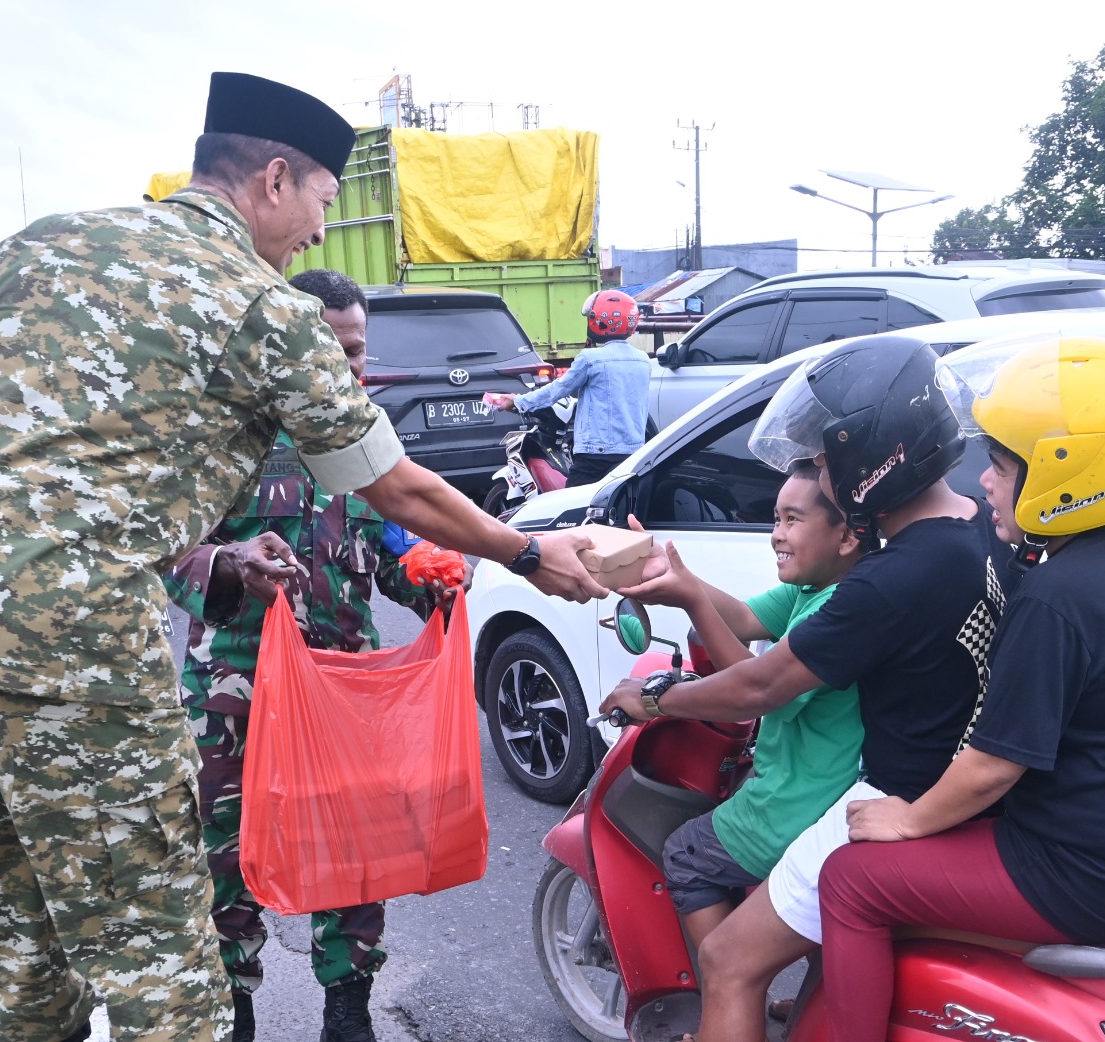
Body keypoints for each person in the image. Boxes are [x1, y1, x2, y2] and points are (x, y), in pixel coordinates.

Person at [0, 72, 605, 1042]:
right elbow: (394, 484)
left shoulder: (38, 249)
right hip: (68, 643)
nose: (322, 235)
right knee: (172, 984)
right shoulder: (264, 309)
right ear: (276, 180)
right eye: (325, 204)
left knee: (21, 961)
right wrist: (529, 550)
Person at [818, 335, 1105, 1042]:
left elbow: (989, 769)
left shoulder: (1062, 597)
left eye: (1004, 464)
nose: (985, 480)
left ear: (1066, 475)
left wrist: (906, 820)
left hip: (1096, 875)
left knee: (851, 880)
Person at [598, 335, 1010, 1042]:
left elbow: (760, 687)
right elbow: (763, 629)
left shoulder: (890, 581)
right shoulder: (977, 527)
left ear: (874, 457)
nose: (823, 467)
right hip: (950, 789)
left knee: (728, 959)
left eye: (827, 456)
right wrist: (687, 586)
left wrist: (656, 698)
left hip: (888, 799)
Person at [163, 267, 460, 1042]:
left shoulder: (373, 447)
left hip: (342, 688)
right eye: (330, 349)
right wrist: (227, 568)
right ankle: (236, 1008)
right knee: (227, 852)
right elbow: (166, 553)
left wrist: (434, 577)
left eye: (356, 351)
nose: (347, 367)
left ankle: (348, 1006)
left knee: (355, 847)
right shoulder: (227, 439)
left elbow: (393, 553)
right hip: (238, 685)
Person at [617, 459, 864, 955]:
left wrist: (688, 606)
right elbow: (747, 616)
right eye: (775, 519)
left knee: (686, 856)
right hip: (816, 792)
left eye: (792, 520)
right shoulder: (814, 587)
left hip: (797, 803)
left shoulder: (837, 609)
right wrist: (674, 577)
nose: (777, 534)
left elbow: (752, 690)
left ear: (847, 536)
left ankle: (729, 999)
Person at [491, 289, 651, 487]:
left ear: (599, 321)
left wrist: (517, 401)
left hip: (596, 456)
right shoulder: (644, 360)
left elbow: (556, 390)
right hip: (633, 451)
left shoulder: (590, 359)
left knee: (571, 507)